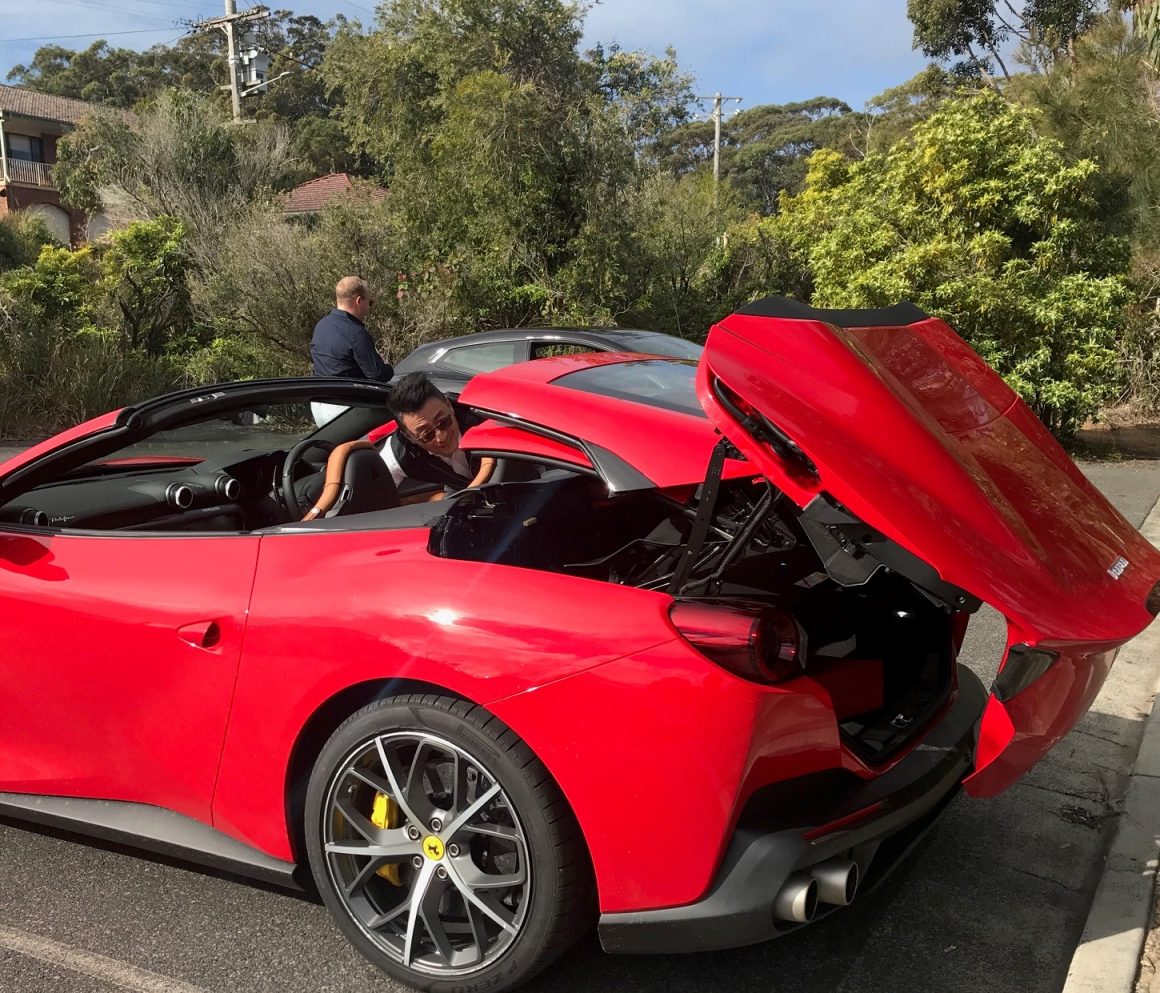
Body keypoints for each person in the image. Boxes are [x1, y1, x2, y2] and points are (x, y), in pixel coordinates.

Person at [381, 373, 494, 497]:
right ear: (409, 437)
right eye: (427, 434)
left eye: (443, 422)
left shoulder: (483, 418)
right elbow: (372, 494)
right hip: (462, 494)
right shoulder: (400, 453)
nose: (441, 437)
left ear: (449, 406)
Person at [310, 276, 393, 426]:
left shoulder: (321, 326)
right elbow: (378, 375)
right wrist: (385, 364)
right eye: (370, 302)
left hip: (319, 405)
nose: (370, 306)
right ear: (359, 301)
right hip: (345, 408)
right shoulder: (355, 332)